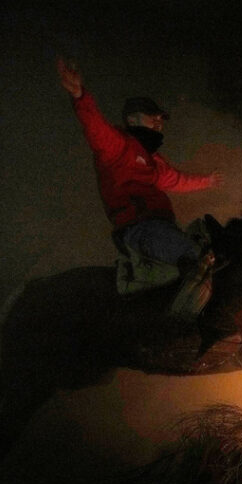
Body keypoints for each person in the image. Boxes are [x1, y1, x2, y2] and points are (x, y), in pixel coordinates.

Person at [57, 58, 223, 317]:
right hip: (139, 228)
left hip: (160, 225)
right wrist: (80, 96)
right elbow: (95, 128)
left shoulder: (153, 161)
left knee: (205, 242)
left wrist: (207, 181)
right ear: (133, 119)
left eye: (161, 119)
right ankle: (182, 324)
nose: (159, 121)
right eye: (153, 116)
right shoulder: (119, 145)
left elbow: (177, 180)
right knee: (190, 254)